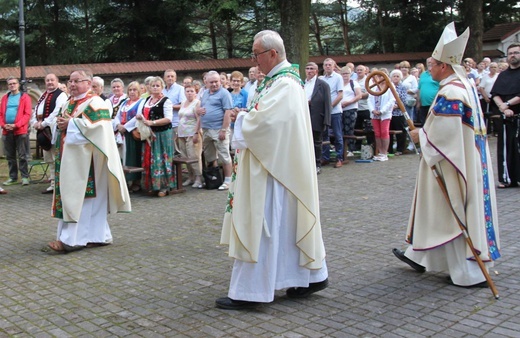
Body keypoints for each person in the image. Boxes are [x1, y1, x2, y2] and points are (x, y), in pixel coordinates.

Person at [216, 30, 328, 310]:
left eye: (257, 54)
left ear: (273, 54)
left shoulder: (286, 84)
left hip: (273, 171)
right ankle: (309, 277)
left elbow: (266, 125)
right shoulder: (276, 81)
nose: (254, 60)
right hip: (274, 166)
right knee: (284, 226)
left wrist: (242, 119)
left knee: (264, 225)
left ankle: (250, 292)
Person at [393, 22, 500, 288]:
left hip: (451, 162)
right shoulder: (463, 86)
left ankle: (468, 272)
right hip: (462, 158)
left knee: (452, 211)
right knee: (443, 209)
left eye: (432, 64)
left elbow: (447, 131)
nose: (429, 69)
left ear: (444, 66)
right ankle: (420, 255)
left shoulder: (452, 91)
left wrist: (422, 137)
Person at [48, 69, 131, 253]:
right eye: (70, 81)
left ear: (88, 83)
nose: (72, 84)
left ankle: (71, 240)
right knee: (76, 198)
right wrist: (60, 124)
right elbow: (60, 123)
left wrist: (71, 124)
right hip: (70, 160)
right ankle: (98, 236)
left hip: (90, 163)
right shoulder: (69, 102)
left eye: (77, 81)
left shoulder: (96, 102)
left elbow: (100, 128)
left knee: (84, 199)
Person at [135, 76, 176, 197]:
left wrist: (152, 122)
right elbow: (140, 114)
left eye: (158, 85)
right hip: (149, 134)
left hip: (162, 134)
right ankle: (152, 185)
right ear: (149, 87)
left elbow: (168, 119)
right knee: (151, 159)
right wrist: (140, 118)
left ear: (162, 87)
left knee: (161, 159)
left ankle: (164, 186)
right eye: (153, 86)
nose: (155, 88)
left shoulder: (166, 101)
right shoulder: (146, 100)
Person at [31, 73, 68, 194]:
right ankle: (53, 183)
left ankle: (60, 184)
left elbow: (56, 112)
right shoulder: (43, 95)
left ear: (57, 81)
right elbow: (35, 110)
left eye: (52, 80)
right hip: (43, 129)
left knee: (56, 157)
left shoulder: (61, 95)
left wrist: (44, 124)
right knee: (48, 158)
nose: (50, 82)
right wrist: (35, 122)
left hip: (52, 130)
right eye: (47, 80)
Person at [197, 70, 234, 191]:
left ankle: (228, 180)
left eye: (216, 81)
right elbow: (201, 108)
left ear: (220, 81)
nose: (214, 84)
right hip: (206, 129)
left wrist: (224, 129)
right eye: (211, 82)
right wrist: (199, 111)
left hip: (219, 128)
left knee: (224, 155)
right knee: (210, 156)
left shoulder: (224, 94)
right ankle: (214, 178)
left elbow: (228, 112)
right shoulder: (205, 93)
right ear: (206, 82)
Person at [491, 42, 520, 188]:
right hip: (505, 116)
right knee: (505, 147)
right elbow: (495, 94)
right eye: (510, 53)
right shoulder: (502, 75)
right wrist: (503, 107)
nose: (513, 55)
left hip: (518, 114)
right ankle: (505, 178)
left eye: (516, 53)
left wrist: (508, 104)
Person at [0, 77, 32, 186]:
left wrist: (16, 125)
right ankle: (13, 177)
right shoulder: (5, 98)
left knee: (22, 155)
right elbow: (1, 114)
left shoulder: (25, 97)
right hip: (6, 130)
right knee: (10, 156)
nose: (12, 85)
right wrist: (4, 125)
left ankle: (25, 177)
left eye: (14, 83)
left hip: (20, 130)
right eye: (10, 84)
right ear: (8, 86)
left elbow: (27, 114)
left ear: (18, 85)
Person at [114, 81, 144, 192]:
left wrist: (125, 127)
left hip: (132, 133)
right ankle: (124, 180)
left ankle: (135, 181)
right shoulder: (124, 102)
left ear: (139, 91)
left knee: (133, 157)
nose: (132, 92)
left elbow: (137, 117)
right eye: (130, 90)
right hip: (121, 133)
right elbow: (117, 115)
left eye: (134, 90)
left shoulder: (141, 102)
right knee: (122, 156)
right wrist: (118, 125)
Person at [304, 62, 331, 174]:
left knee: (317, 142)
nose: (309, 71)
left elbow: (328, 104)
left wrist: (327, 121)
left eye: (312, 69)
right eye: (307, 68)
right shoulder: (301, 84)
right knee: (305, 141)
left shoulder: (323, 85)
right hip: (304, 114)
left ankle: (317, 164)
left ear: (316, 71)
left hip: (317, 116)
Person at [320, 58, 344, 168]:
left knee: (337, 134)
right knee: (324, 135)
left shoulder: (338, 77)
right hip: (323, 111)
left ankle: (339, 158)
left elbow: (340, 95)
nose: (328, 66)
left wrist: (331, 106)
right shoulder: (320, 79)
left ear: (334, 66)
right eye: (326, 65)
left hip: (335, 112)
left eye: (330, 65)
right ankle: (325, 157)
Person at [177, 84, 203, 188]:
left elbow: (199, 119)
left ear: (195, 92)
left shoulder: (197, 103)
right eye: (187, 91)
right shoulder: (183, 103)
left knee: (194, 156)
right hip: (181, 133)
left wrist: (196, 133)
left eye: (191, 91)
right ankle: (190, 176)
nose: (189, 93)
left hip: (192, 133)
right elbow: (181, 117)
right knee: (185, 156)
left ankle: (198, 178)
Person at [368, 73, 395, 161]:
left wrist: (382, 111)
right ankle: (379, 152)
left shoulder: (390, 87)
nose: (381, 79)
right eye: (380, 77)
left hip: (385, 114)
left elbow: (392, 100)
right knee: (377, 133)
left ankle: (384, 152)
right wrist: (373, 110)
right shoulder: (374, 87)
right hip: (374, 114)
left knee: (384, 132)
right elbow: (369, 99)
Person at [162, 69, 186, 154]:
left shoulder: (180, 89)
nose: (170, 78)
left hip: (176, 123)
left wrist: (169, 106)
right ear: (164, 78)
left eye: (172, 76)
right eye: (168, 76)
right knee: (168, 149)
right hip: (164, 124)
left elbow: (183, 106)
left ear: (175, 78)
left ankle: (181, 167)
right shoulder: (162, 91)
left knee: (178, 149)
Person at [340, 66, 362, 157]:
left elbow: (359, 95)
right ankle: (342, 148)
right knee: (340, 129)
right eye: (343, 73)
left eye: (347, 73)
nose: (345, 75)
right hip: (340, 109)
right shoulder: (340, 83)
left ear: (350, 74)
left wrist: (348, 102)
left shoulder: (354, 83)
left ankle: (351, 149)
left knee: (349, 129)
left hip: (351, 109)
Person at [388, 69, 408, 155]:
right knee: (389, 131)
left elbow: (404, 100)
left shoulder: (403, 87)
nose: (396, 78)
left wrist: (396, 106)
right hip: (389, 112)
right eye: (394, 76)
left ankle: (400, 149)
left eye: (397, 76)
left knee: (400, 131)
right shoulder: (388, 86)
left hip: (399, 112)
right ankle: (389, 149)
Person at [416, 57, 440, 125]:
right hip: (423, 104)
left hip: (434, 103)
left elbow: (441, 88)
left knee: (433, 123)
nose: (429, 64)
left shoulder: (437, 74)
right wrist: (418, 102)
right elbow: (419, 89)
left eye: (431, 62)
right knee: (424, 123)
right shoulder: (423, 75)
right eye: (428, 62)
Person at [478, 62, 499, 135]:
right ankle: (487, 130)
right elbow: (481, 87)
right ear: (489, 68)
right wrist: (485, 97)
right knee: (486, 114)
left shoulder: (499, 76)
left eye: (495, 67)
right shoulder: (485, 76)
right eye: (492, 67)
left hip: (496, 98)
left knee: (496, 114)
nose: (493, 69)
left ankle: (496, 131)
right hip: (485, 98)